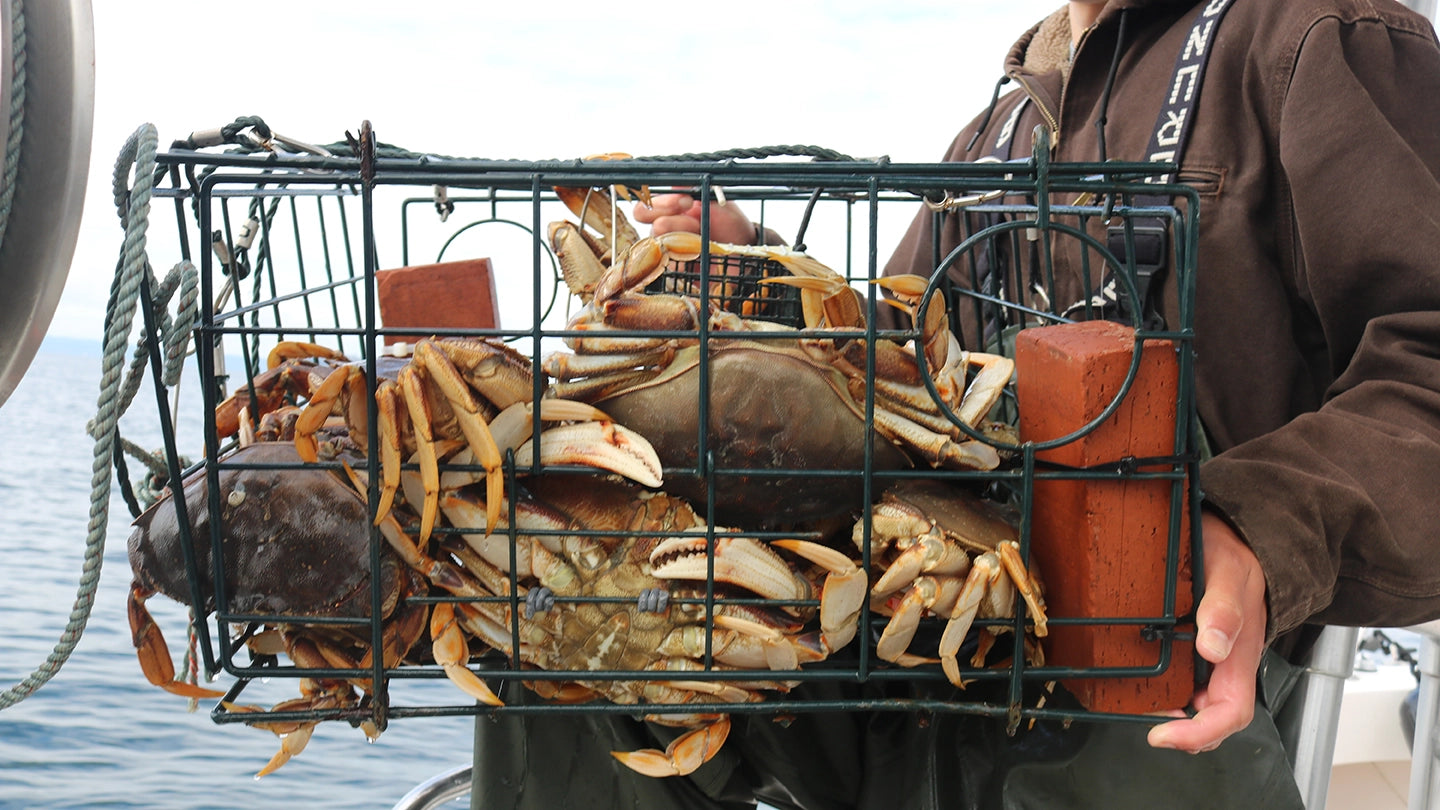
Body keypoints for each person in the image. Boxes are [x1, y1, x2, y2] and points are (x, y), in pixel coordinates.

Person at [474, 1, 1440, 807]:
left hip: (1149, 685)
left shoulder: (1313, 41)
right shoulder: (996, 132)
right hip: (920, 658)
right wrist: (754, 273)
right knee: (548, 626)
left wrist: (1254, 529)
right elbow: (892, 363)